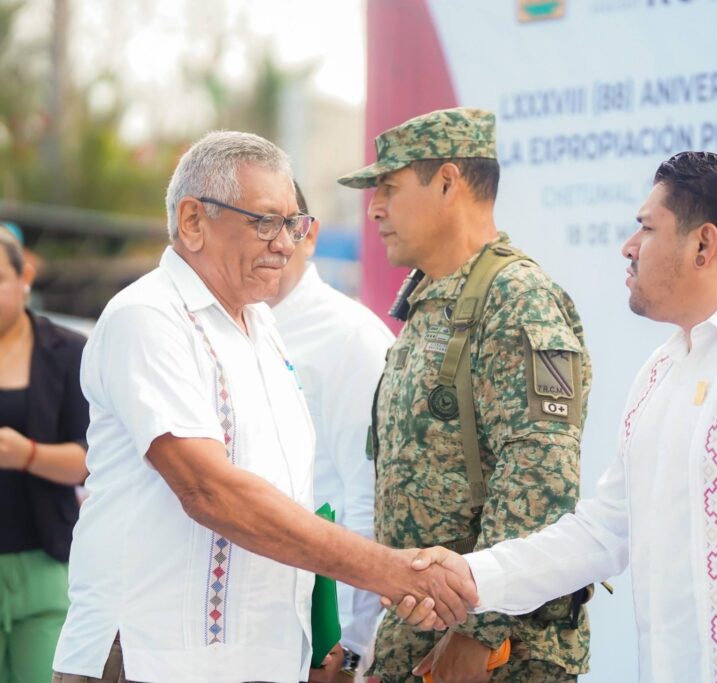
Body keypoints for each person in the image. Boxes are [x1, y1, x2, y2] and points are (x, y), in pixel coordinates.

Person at [401, 151, 717, 682]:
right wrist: (470, 576)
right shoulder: (663, 369)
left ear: (703, 244)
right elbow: (603, 531)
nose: (629, 246)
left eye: (646, 227)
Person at [51, 131, 476, 683]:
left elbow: (299, 497)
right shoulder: (149, 316)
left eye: (293, 224)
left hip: (262, 660)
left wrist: (320, 635)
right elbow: (211, 491)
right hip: (153, 657)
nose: (284, 243)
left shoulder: (260, 325)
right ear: (193, 220)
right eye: (266, 222)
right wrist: (389, 572)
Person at [336, 107, 592, 682]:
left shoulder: (517, 298)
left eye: (390, 188)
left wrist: (479, 632)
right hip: (421, 639)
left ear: (449, 182)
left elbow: (541, 478)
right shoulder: (431, 299)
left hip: (500, 654)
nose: (374, 208)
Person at [270, 182, 393, 681]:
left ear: (310, 234)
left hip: (319, 638)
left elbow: (368, 498)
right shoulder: (235, 328)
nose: (271, 242)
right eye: (255, 225)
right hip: (247, 626)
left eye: (284, 225)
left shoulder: (349, 338)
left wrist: (350, 643)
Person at [0, 225, 88, 683]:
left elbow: (94, 459)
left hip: (46, 561)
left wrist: (27, 454)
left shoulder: (69, 351)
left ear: (25, 278)